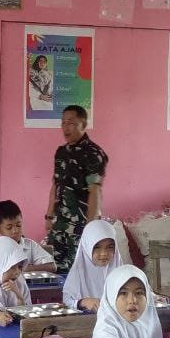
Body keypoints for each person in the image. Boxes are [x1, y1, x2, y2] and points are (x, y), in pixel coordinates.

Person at [44, 105, 108, 272]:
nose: (66, 127)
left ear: (83, 124)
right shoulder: (61, 152)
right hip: (59, 224)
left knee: (79, 270)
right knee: (52, 268)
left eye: (71, 123)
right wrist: (49, 215)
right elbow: (55, 185)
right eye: (63, 122)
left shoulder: (93, 154)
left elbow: (95, 191)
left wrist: (90, 227)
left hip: (80, 226)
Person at [61, 219, 121, 310]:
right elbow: (66, 302)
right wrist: (82, 302)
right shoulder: (78, 273)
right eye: (97, 247)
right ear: (87, 246)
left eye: (110, 247)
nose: (104, 253)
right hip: (85, 318)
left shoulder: (122, 273)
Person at [0, 200, 56, 273]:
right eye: (9, 228)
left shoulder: (30, 245)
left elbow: (52, 266)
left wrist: (27, 269)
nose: (15, 231)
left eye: (18, 225)